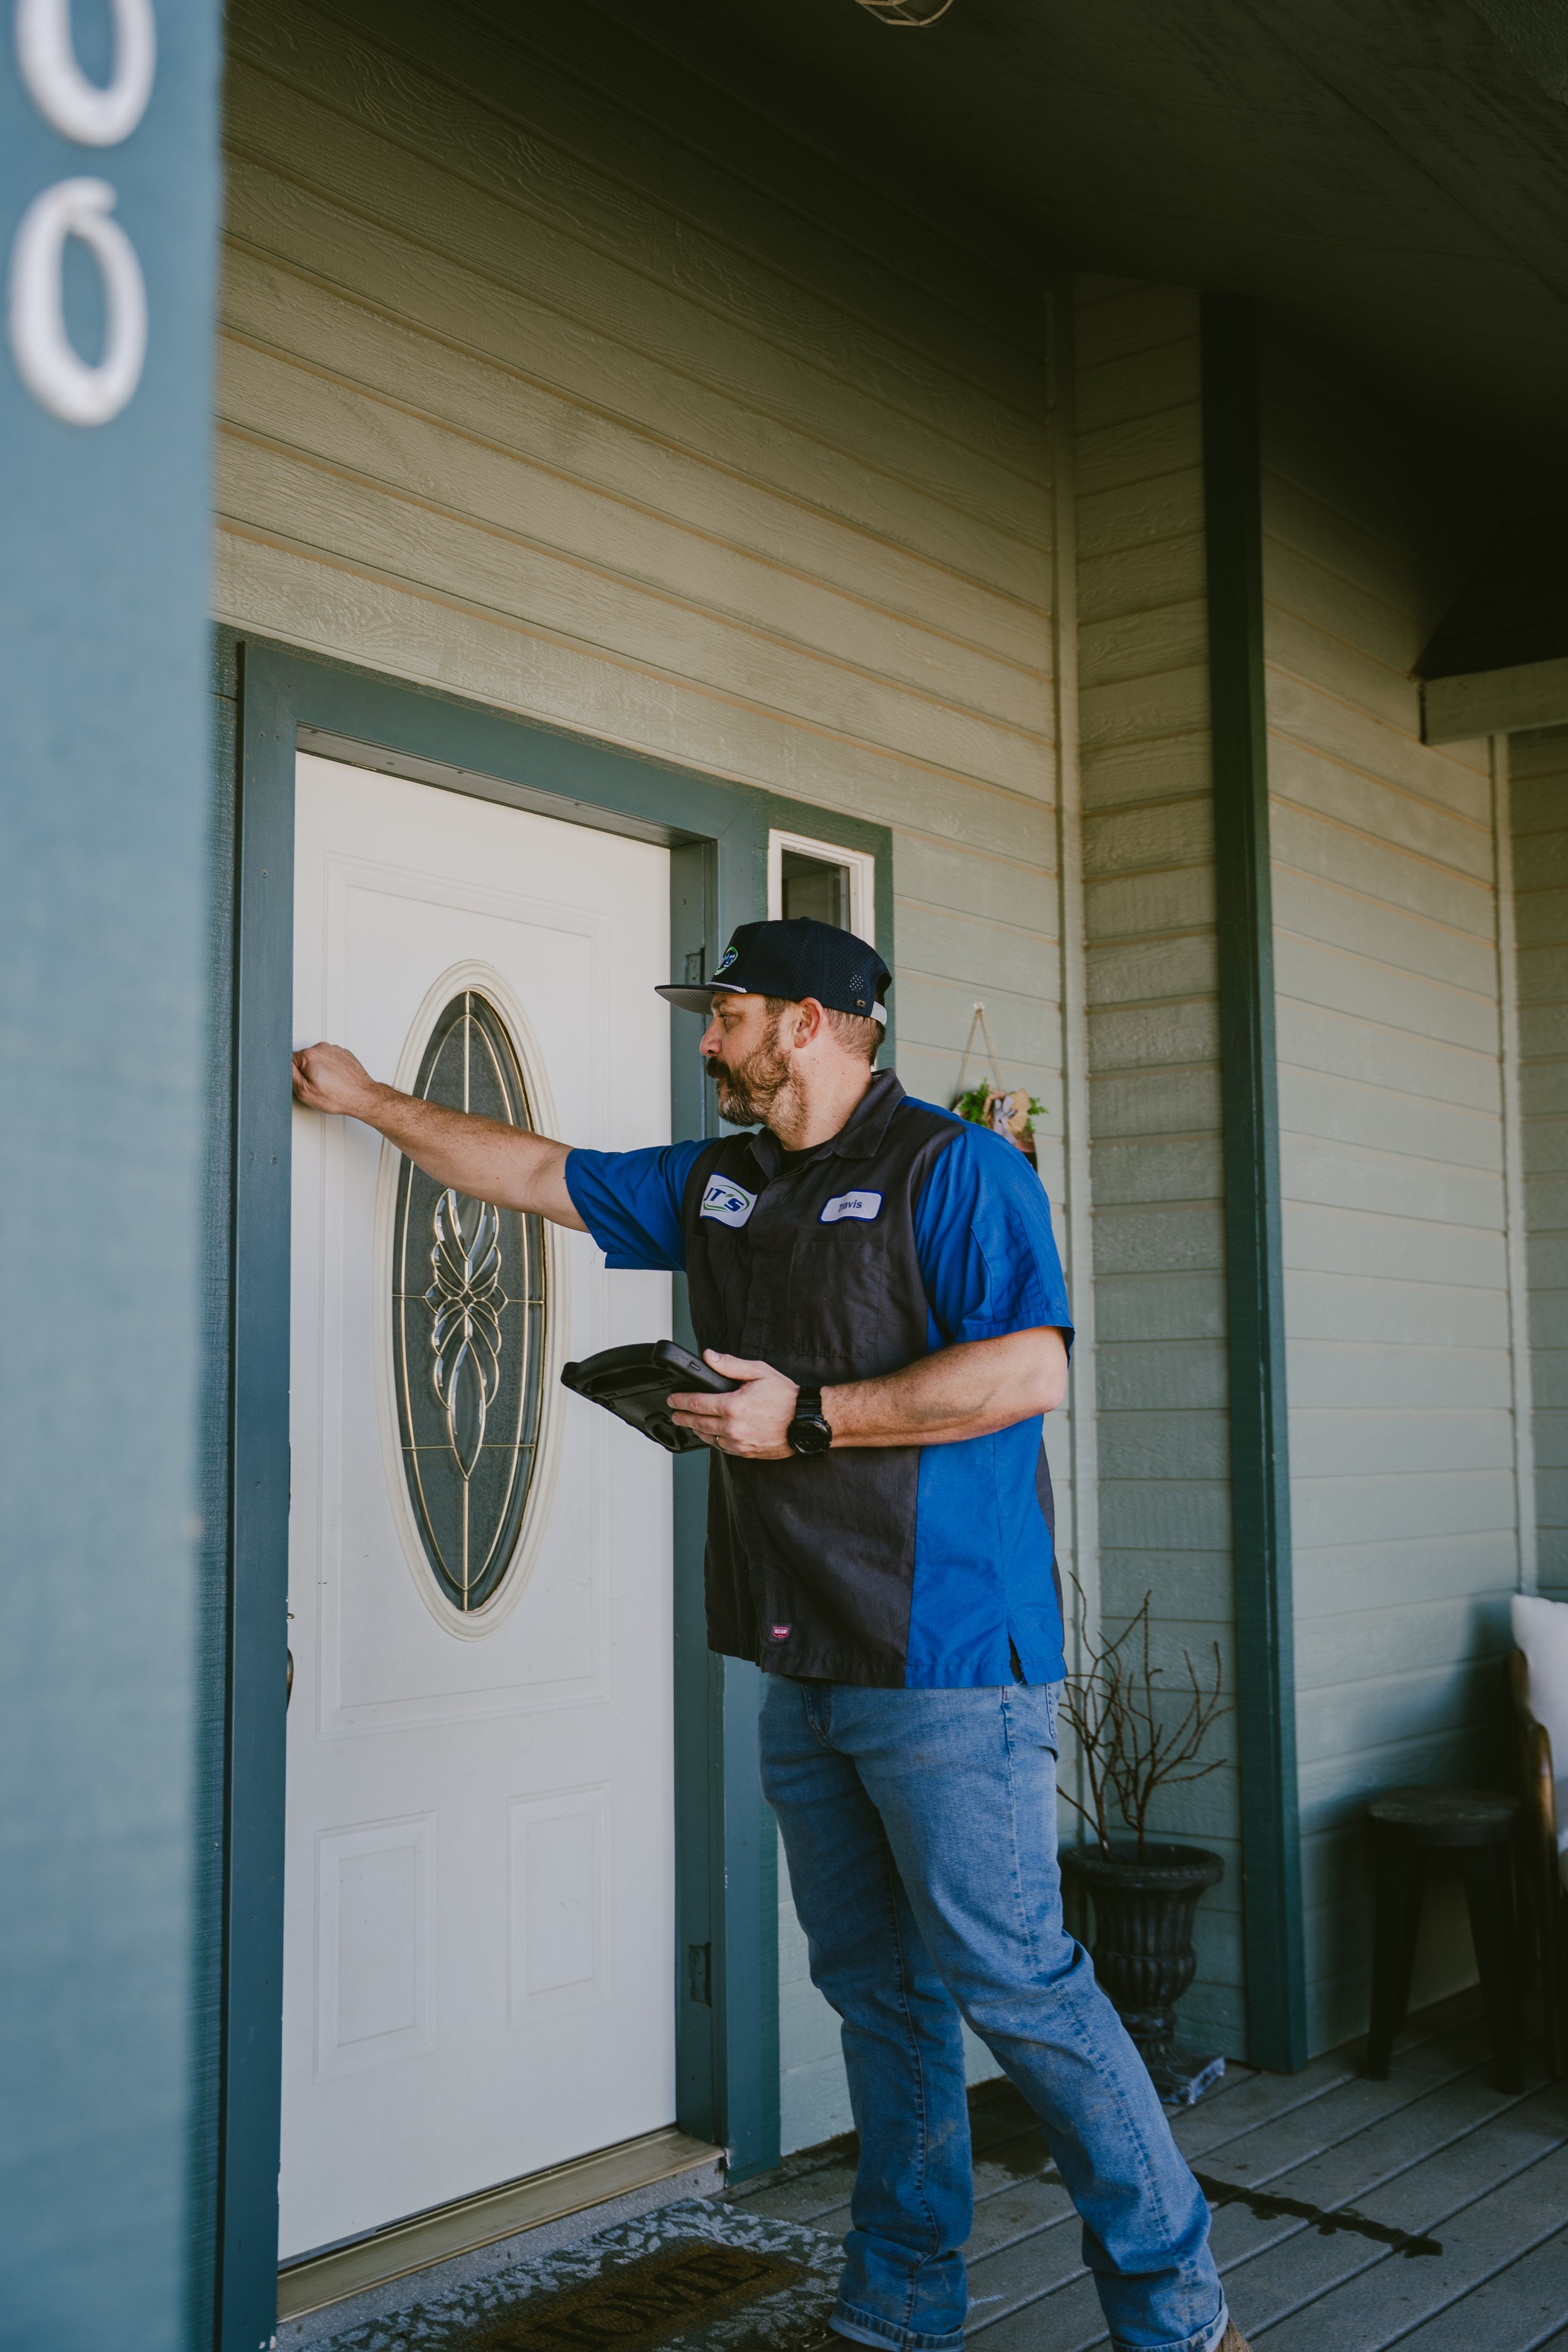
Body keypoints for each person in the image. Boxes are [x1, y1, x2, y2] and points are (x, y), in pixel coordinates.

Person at [292, 915, 1245, 2352]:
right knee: (877, 1993)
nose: (703, 1036)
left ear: (806, 1022)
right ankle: (900, 2306)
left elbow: (1025, 1369)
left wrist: (802, 1416)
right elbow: (539, 1174)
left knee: (1019, 1987)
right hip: (798, 1658)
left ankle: (1179, 2320)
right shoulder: (720, 1181)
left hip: (940, 1663)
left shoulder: (955, 1169)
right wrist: (370, 1102)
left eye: (722, 1012)